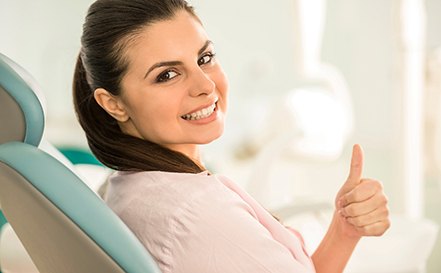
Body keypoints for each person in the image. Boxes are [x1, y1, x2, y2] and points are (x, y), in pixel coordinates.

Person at [73, 0, 390, 272]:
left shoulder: (127, 186)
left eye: (204, 58)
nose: (205, 85)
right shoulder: (197, 211)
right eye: (167, 75)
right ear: (112, 103)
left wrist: (343, 230)